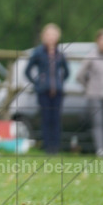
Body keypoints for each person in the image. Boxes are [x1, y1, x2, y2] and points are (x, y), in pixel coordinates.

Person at [25, 23, 69, 153]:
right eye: (49, 35)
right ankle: (46, 146)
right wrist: (37, 83)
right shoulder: (38, 52)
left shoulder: (59, 54)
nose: (51, 38)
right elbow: (27, 71)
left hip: (57, 91)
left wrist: (59, 82)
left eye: (53, 35)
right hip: (43, 91)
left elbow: (66, 71)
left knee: (56, 119)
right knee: (46, 118)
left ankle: (55, 147)